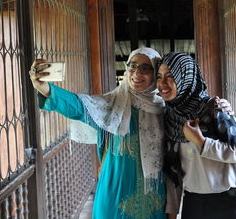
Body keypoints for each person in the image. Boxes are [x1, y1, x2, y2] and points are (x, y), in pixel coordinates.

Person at [29, 47, 167, 219]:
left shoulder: (164, 109)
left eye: (146, 68)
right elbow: (79, 107)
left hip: (152, 195)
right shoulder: (112, 105)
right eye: (132, 66)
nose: (137, 73)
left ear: (156, 73)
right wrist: (45, 88)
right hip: (114, 189)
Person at [156, 52, 236, 219]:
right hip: (195, 202)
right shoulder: (169, 118)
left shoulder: (214, 108)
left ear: (186, 76)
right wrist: (172, 212)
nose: (163, 83)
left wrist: (202, 142)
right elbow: (173, 170)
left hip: (231, 201)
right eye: (159, 77)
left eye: (171, 76)